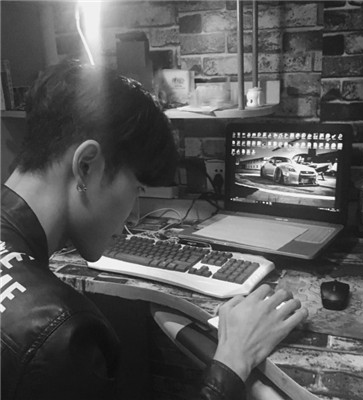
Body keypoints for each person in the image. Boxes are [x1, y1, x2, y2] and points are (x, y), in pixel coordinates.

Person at [1, 59, 308, 400]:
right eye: (137, 188)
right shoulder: (57, 338)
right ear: (86, 166)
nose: (129, 214)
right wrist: (231, 363)